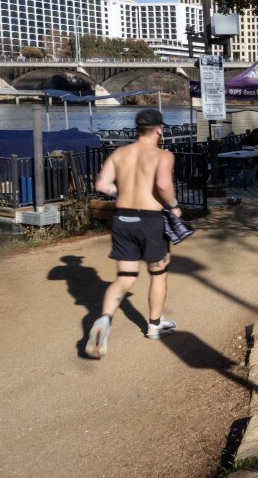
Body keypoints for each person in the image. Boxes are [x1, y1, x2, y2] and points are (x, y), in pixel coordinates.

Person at [85, 109, 181, 359]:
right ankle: (154, 324)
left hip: (123, 219)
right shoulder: (163, 155)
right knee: (158, 273)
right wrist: (173, 206)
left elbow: (102, 186)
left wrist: (123, 193)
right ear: (159, 129)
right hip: (150, 221)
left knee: (125, 277)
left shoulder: (119, 153)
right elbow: (162, 185)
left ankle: (104, 321)